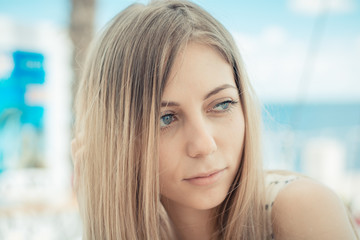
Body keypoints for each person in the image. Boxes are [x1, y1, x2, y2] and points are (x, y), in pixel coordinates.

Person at [71, 0, 359, 239]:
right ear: (116, 137)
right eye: (165, 119)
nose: (204, 145)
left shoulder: (303, 209)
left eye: (222, 104)